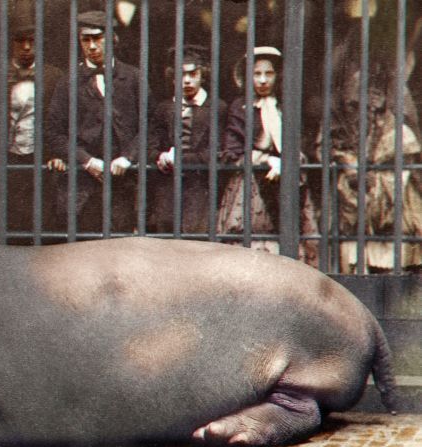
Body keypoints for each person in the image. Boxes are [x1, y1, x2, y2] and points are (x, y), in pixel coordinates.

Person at [319, 0, 422, 273]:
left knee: (395, 252)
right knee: (352, 254)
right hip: (351, 189)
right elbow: (327, 138)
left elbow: (405, 132)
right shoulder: (340, 97)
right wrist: (348, 161)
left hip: (392, 184)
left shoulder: (391, 89)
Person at [45, 9, 151, 236]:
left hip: (122, 182)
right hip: (80, 185)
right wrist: (86, 160)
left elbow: (150, 126)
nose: (92, 46)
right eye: (86, 40)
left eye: (98, 39)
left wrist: (128, 157)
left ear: (112, 38)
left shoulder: (133, 78)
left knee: (119, 246)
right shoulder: (68, 82)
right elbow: (54, 133)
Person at [216, 46, 319, 265]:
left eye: (268, 74)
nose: (263, 80)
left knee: (290, 242)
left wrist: (288, 161)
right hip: (251, 184)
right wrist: (266, 160)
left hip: (287, 183)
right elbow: (231, 150)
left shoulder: (287, 106)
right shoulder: (240, 108)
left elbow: (304, 145)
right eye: (257, 74)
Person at [0, 14, 63, 243]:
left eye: (32, 42)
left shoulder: (54, 76)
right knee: (4, 213)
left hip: (40, 155)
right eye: (20, 41)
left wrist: (55, 153)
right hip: (6, 155)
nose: (26, 47)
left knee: (41, 213)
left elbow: (61, 120)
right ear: (11, 44)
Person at [147, 44, 227, 235]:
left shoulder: (217, 108)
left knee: (197, 244)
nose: (187, 81)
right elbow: (149, 145)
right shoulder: (164, 109)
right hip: (167, 190)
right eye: (181, 75)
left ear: (203, 75)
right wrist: (160, 156)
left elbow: (216, 153)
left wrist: (181, 160)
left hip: (200, 189)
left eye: (193, 74)